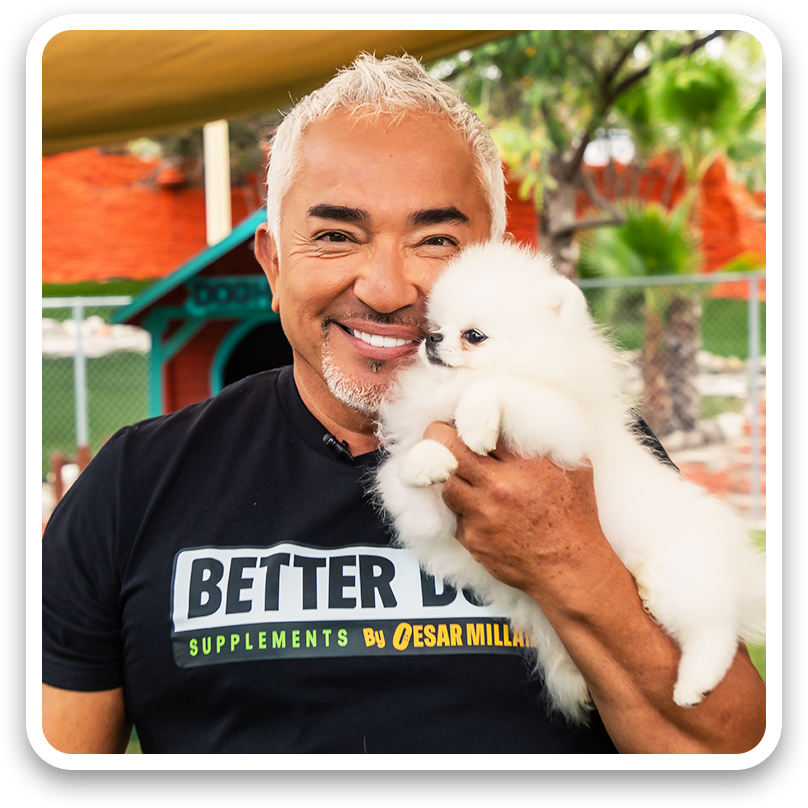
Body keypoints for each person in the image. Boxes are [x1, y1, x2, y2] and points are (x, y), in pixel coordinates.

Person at [41, 53, 765, 755]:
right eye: (335, 236)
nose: (386, 290)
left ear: (492, 262)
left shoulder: (592, 448)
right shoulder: (133, 485)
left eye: (435, 240)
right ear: (272, 262)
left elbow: (723, 747)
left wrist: (569, 560)